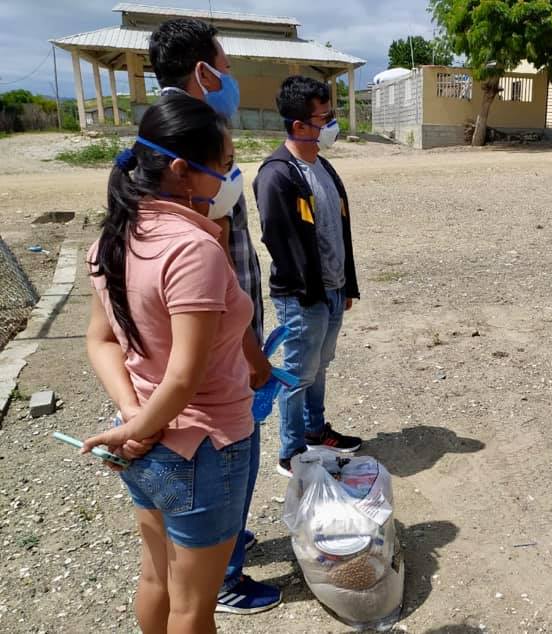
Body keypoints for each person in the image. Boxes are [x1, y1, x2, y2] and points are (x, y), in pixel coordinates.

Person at [81, 96, 254, 633]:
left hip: (146, 442)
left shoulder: (114, 235)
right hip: (204, 447)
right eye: (223, 165)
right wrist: (137, 427)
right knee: (193, 607)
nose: (228, 178)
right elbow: (184, 377)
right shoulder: (191, 249)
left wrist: (132, 418)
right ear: (181, 169)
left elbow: (101, 340)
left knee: (156, 578)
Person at [147, 18, 281, 613]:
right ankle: (222, 570)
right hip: (216, 345)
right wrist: (250, 352)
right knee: (224, 452)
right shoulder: (190, 152)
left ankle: (220, 543)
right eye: (225, 69)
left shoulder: (162, 137)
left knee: (158, 564)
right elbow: (212, 267)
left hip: (205, 340)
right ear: (202, 72)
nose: (230, 80)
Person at [253, 75, 362, 477]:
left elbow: (340, 231)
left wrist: (345, 285)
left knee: (319, 367)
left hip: (332, 291)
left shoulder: (323, 167)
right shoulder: (277, 175)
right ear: (299, 125)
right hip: (302, 297)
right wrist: (309, 292)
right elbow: (279, 242)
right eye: (324, 117)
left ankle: (316, 431)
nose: (332, 123)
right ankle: (291, 451)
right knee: (298, 375)